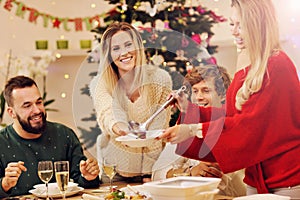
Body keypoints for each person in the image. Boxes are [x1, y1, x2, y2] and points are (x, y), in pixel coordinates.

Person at [159, 0, 300, 198]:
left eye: (240, 25)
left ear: (258, 24)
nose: (234, 31)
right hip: (255, 178)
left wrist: (191, 129)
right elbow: (232, 115)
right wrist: (189, 110)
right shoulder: (248, 61)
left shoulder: (278, 65)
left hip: (286, 180)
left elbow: (250, 126)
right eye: (232, 24)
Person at [89, 22, 172, 183]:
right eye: (116, 48)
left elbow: (158, 129)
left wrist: (149, 173)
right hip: (113, 170)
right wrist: (121, 128)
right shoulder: (100, 83)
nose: (124, 53)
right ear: (109, 54)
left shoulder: (160, 80)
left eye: (128, 45)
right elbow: (108, 113)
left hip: (153, 169)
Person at [153, 65, 246, 197]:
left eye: (206, 91)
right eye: (195, 91)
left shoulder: (233, 124)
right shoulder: (186, 126)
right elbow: (157, 172)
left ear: (222, 94)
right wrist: (190, 173)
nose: (198, 97)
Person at [0, 75, 101, 198]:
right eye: (27, 106)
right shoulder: (2, 142)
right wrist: (4, 184)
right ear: (11, 112)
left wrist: (88, 177)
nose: (37, 110)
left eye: (39, 102)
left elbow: (82, 183)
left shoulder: (64, 135)